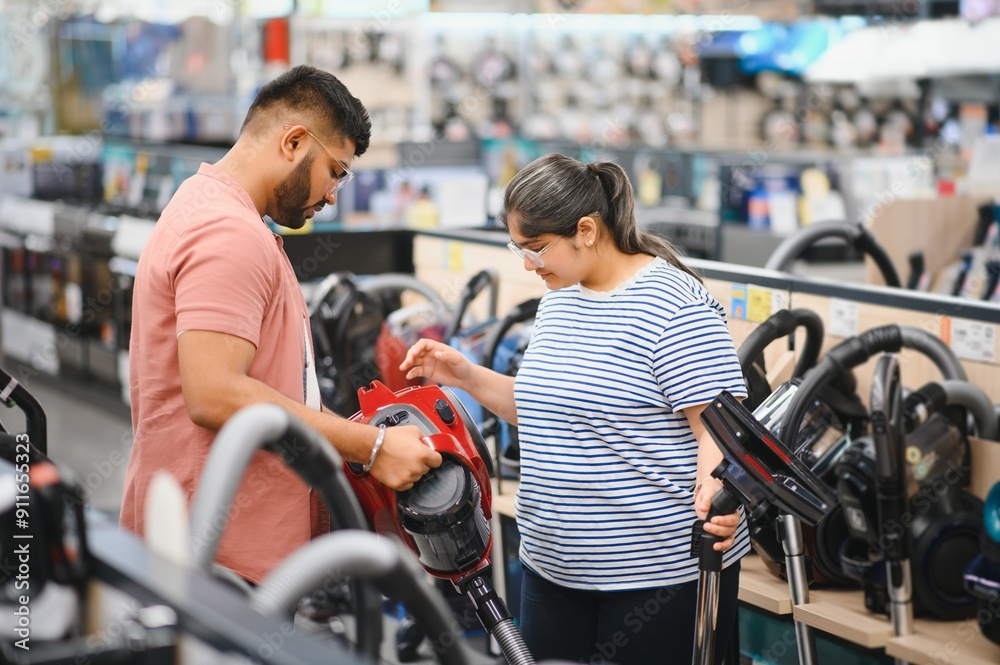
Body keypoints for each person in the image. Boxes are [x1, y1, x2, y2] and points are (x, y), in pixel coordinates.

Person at [401, 153, 750, 665]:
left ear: (586, 229)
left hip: (653, 579)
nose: (528, 264)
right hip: (552, 568)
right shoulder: (560, 299)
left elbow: (720, 428)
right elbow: (546, 410)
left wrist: (718, 488)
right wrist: (464, 375)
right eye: (518, 249)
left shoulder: (673, 304)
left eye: (537, 248)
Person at [120, 65, 441, 584]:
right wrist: (372, 447)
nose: (334, 195)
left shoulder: (211, 206)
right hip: (216, 553)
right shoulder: (229, 232)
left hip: (212, 539)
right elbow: (214, 393)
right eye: (336, 171)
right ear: (294, 141)